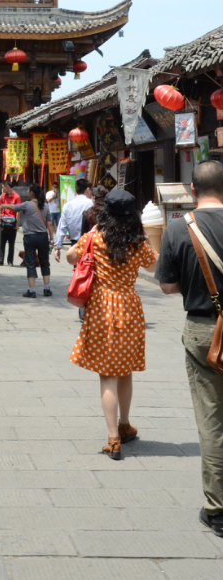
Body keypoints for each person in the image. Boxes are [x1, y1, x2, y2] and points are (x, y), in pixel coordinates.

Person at [156, 160, 223, 537]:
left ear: (193, 190)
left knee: (212, 420)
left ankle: (218, 509)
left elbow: (167, 286)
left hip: (203, 330)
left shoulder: (179, 228)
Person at [67, 188, 157, 460]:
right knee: (125, 369)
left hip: (101, 307)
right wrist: (148, 236)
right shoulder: (137, 242)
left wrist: (91, 237)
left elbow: (71, 256)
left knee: (107, 375)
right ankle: (125, 425)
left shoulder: (94, 237)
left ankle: (113, 438)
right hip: (129, 306)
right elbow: (154, 266)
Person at [5, 184, 55, 297]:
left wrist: (3, 205)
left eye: (28, 190)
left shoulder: (27, 204)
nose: (27, 191)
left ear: (31, 192)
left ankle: (32, 291)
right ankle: (47, 289)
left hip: (30, 237)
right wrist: (52, 239)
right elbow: (50, 224)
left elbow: (14, 207)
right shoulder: (46, 206)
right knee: (45, 263)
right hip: (43, 237)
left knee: (31, 263)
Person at [53, 179, 94, 262]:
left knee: (78, 268)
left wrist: (57, 247)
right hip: (91, 244)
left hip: (75, 245)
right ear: (87, 189)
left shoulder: (68, 205)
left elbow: (62, 227)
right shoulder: (92, 204)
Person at [0, 180, 21, 266]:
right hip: (3, 222)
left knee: (11, 243)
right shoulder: (2, 196)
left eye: (3, 187)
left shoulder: (16, 197)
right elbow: (0, 208)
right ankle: (0, 260)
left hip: (12, 222)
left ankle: (10, 261)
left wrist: (17, 223)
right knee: (1, 242)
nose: (2, 189)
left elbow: (18, 211)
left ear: (7, 187)